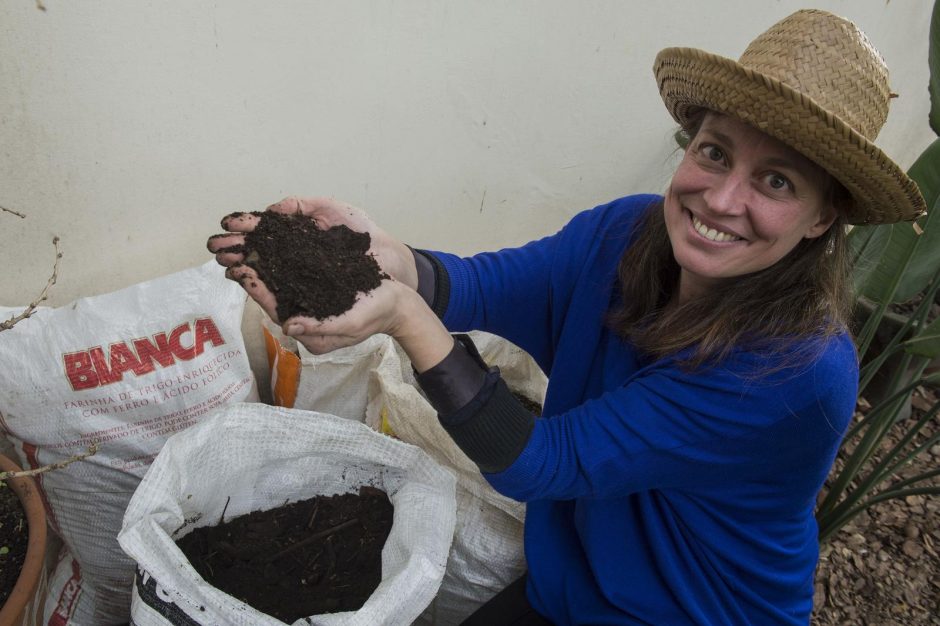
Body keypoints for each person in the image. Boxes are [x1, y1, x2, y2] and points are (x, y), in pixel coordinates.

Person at [208, 9, 926, 625]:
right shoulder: (625, 234)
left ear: (821, 217)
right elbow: (488, 285)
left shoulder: (798, 370)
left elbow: (539, 461)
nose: (722, 198)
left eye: (775, 181)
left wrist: (404, 318)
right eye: (715, 151)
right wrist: (387, 259)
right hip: (575, 584)